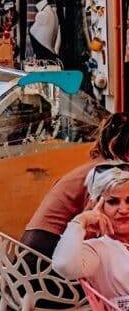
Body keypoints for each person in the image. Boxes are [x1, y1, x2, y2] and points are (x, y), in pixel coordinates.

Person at [22, 110, 129, 256]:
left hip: (32, 250)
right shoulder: (106, 173)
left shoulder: (100, 166)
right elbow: (92, 227)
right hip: (46, 256)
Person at [52, 164, 129, 299]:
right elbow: (64, 265)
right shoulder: (98, 249)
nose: (123, 209)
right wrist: (80, 221)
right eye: (113, 202)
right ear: (98, 206)